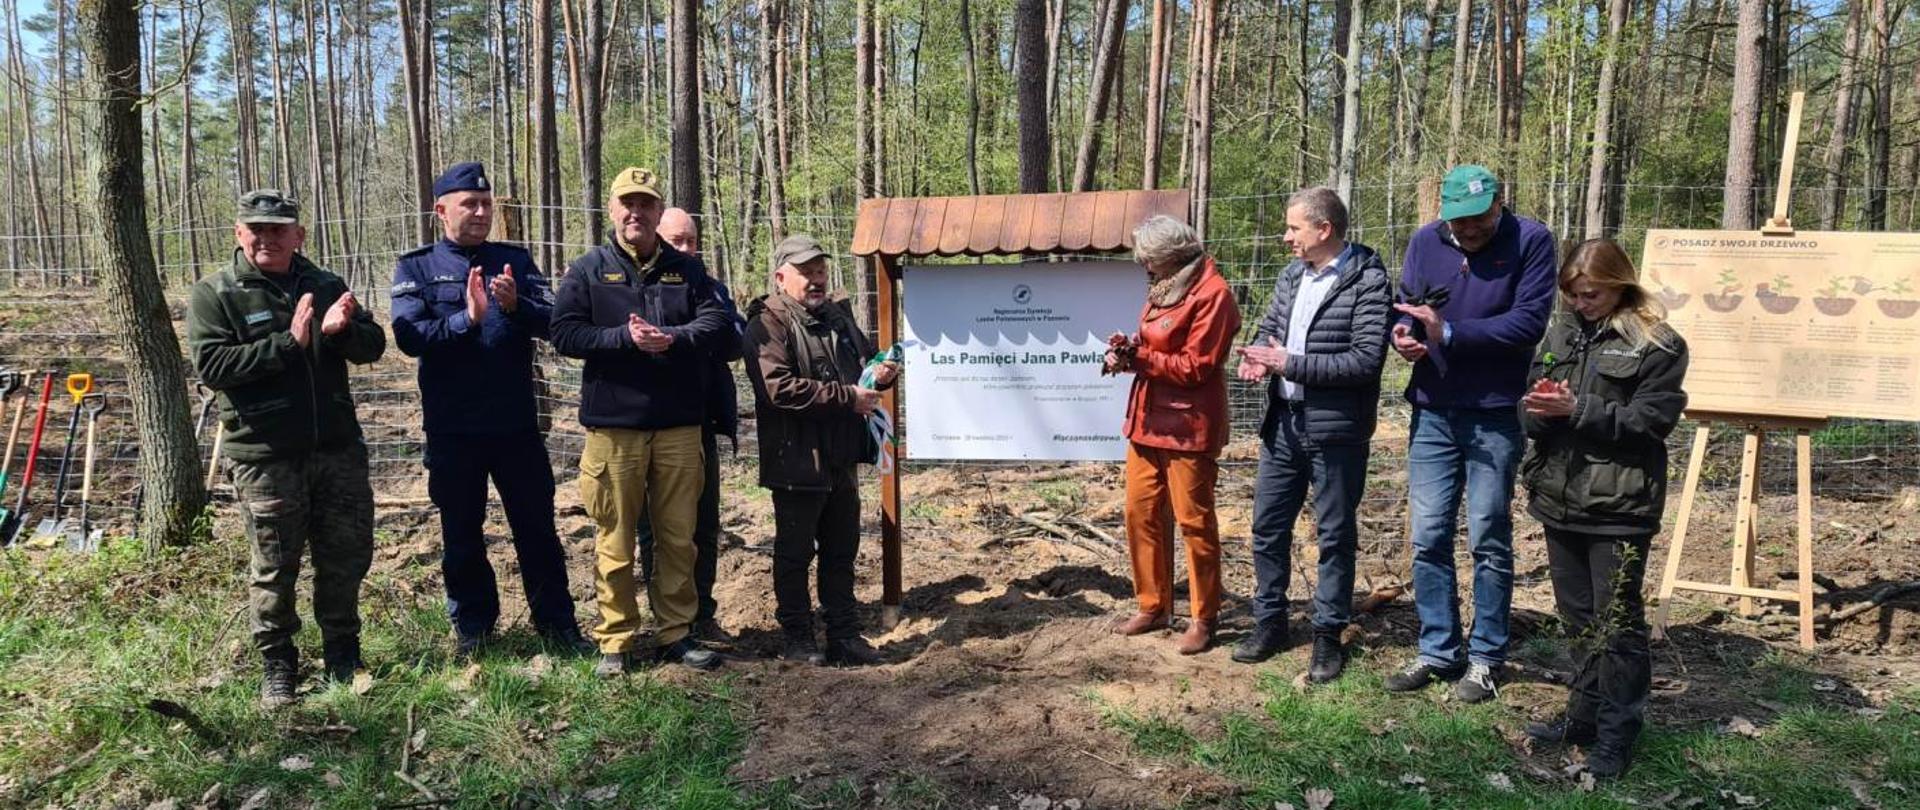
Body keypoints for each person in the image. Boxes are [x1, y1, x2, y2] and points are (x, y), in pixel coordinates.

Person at [186, 189, 386, 709]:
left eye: (278, 229)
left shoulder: (325, 285)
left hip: (337, 450)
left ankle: (343, 652)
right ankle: (279, 664)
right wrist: (287, 343)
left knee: (344, 557)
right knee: (276, 565)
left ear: (298, 235)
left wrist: (340, 333)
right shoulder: (218, 293)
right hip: (265, 456)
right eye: (256, 229)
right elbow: (213, 368)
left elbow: (374, 346)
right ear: (238, 234)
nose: (267, 238)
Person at [390, 161, 591, 660]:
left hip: (516, 427)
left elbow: (555, 323)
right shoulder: (415, 266)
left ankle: (558, 626)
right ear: (441, 210)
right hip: (453, 429)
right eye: (469, 204)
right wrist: (468, 318)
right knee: (461, 534)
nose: (480, 212)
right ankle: (475, 631)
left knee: (537, 529)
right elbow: (409, 336)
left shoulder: (514, 261)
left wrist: (517, 305)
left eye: (486, 204)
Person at [549, 167, 734, 675]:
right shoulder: (588, 270)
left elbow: (716, 321)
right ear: (612, 210)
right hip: (614, 429)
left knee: (679, 537)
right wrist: (623, 339)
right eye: (627, 203)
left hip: (679, 427)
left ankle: (677, 632)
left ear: (658, 211)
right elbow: (564, 333)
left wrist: (671, 337)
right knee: (615, 538)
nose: (636, 212)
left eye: (646, 204)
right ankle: (616, 639)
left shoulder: (687, 270)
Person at [1384, 164, 1558, 702]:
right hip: (1433, 407)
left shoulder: (1532, 240)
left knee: (1488, 532)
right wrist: (1405, 338)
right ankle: (1438, 648)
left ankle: (1485, 657)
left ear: (1499, 205)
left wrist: (1451, 332)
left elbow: (1528, 324)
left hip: (1495, 409)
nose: (1468, 232)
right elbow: (1412, 311)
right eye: (1458, 223)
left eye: (1478, 222)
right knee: (1430, 532)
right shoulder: (1424, 241)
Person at [1518, 238, 1687, 778]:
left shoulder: (1659, 345)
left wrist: (1578, 408)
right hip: (1559, 498)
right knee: (1578, 620)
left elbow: (1650, 423)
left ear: (1619, 285)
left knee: (1617, 625)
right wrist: (1542, 410)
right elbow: (1532, 410)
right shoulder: (1563, 332)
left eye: (1589, 294)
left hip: (1619, 503)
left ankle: (1617, 735)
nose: (1579, 303)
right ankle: (1583, 715)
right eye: (1571, 294)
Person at [1231, 188, 1390, 684]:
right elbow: (1271, 329)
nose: (1286, 237)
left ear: (1324, 230)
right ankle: (1270, 622)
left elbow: (1365, 361)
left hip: (1336, 428)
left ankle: (1327, 636)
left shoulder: (1369, 280)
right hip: (1284, 422)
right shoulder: (1291, 275)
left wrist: (1290, 363)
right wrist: (1256, 356)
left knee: (1334, 534)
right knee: (1268, 526)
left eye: (1294, 228)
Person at [743, 234, 899, 667]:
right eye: (805, 272)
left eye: (819, 271)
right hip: (796, 458)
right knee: (794, 553)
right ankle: (797, 637)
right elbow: (779, 389)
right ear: (780, 277)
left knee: (841, 549)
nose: (815, 280)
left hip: (840, 457)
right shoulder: (766, 323)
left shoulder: (836, 315)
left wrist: (881, 373)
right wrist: (848, 398)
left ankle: (844, 636)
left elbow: (865, 362)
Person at [1105, 215, 1241, 655]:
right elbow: (1156, 345)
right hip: (1147, 420)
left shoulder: (1213, 294)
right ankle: (1153, 604)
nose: (1144, 265)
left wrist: (1138, 359)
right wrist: (1127, 349)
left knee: (1194, 523)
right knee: (1139, 512)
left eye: (1149, 258)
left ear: (1172, 255)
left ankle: (1204, 617)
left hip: (1188, 427)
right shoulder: (1166, 286)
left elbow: (1197, 366)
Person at [637, 207, 745, 641]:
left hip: (699, 422)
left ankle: (702, 613)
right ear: (658, 239)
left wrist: (684, 335)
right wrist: (695, 336)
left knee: (703, 521)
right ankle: (668, 618)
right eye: (676, 240)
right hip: (648, 423)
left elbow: (735, 340)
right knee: (656, 527)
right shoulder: (644, 285)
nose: (685, 249)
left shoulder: (710, 287)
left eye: (691, 240)